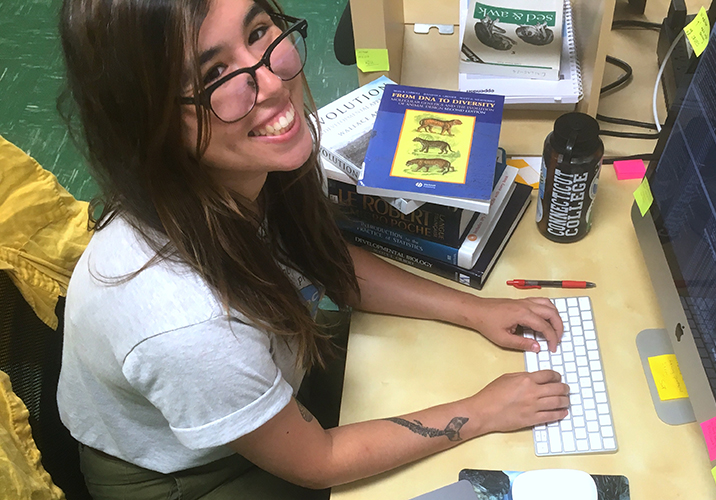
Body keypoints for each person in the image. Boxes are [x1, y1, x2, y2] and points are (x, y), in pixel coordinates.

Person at [55, 0, 569, 498]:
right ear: (148, 122)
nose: (274, 82)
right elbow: (318, 462)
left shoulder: (244, 173)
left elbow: (323, 260)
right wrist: (481, 413)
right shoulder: (187, 324)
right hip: (193, 474)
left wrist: (474, 310)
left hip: (267, 366)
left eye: (258, 33)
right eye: (215, 75)